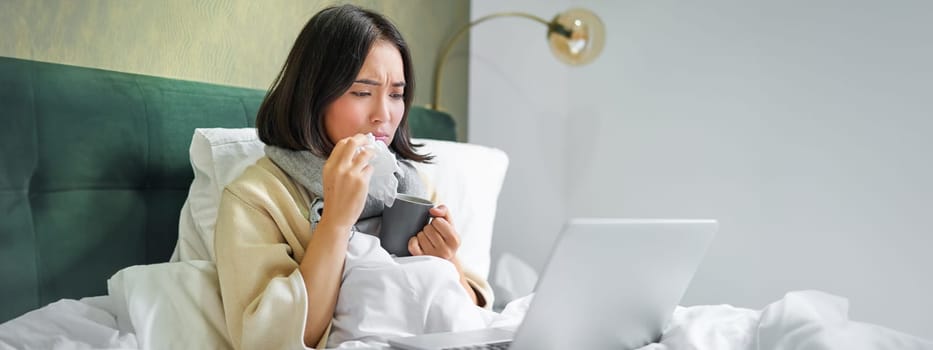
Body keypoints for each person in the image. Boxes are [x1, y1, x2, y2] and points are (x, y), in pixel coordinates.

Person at [213, 4, 492, 350]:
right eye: (362, 92)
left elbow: (475, 318)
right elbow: (269, 340)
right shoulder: (257, 197)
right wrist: (335, 222)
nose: (384, 115)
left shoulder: (412, 185)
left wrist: (448, 263)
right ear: (313, 95)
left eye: (396, 94)